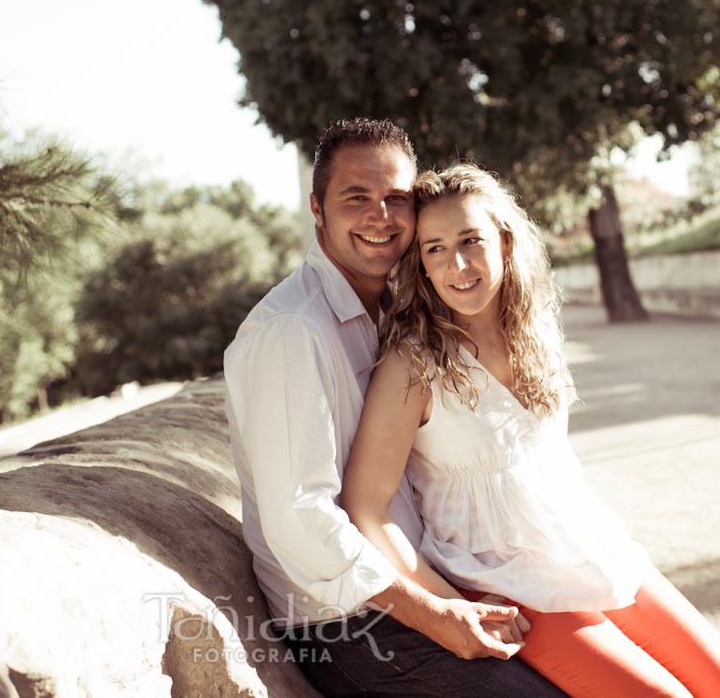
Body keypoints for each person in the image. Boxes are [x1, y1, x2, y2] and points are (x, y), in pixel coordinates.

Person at [342, 163, 720, 697]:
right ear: (421, 265)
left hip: (588, 547)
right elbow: (366, 507)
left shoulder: (535, 329)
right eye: (434, 248)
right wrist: (447, 604)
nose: (458, 264)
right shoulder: (414, 363)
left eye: (471, 239)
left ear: (504, 238)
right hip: (507, 580)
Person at [224, 120, 568, 697]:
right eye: (356, 198)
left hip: (431, 579)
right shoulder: (291, 331)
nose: (380, 216)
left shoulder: (397, 308)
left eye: (396, 199)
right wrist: (436, 613)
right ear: (317, 208)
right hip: (349, 622)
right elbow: (299, 515)